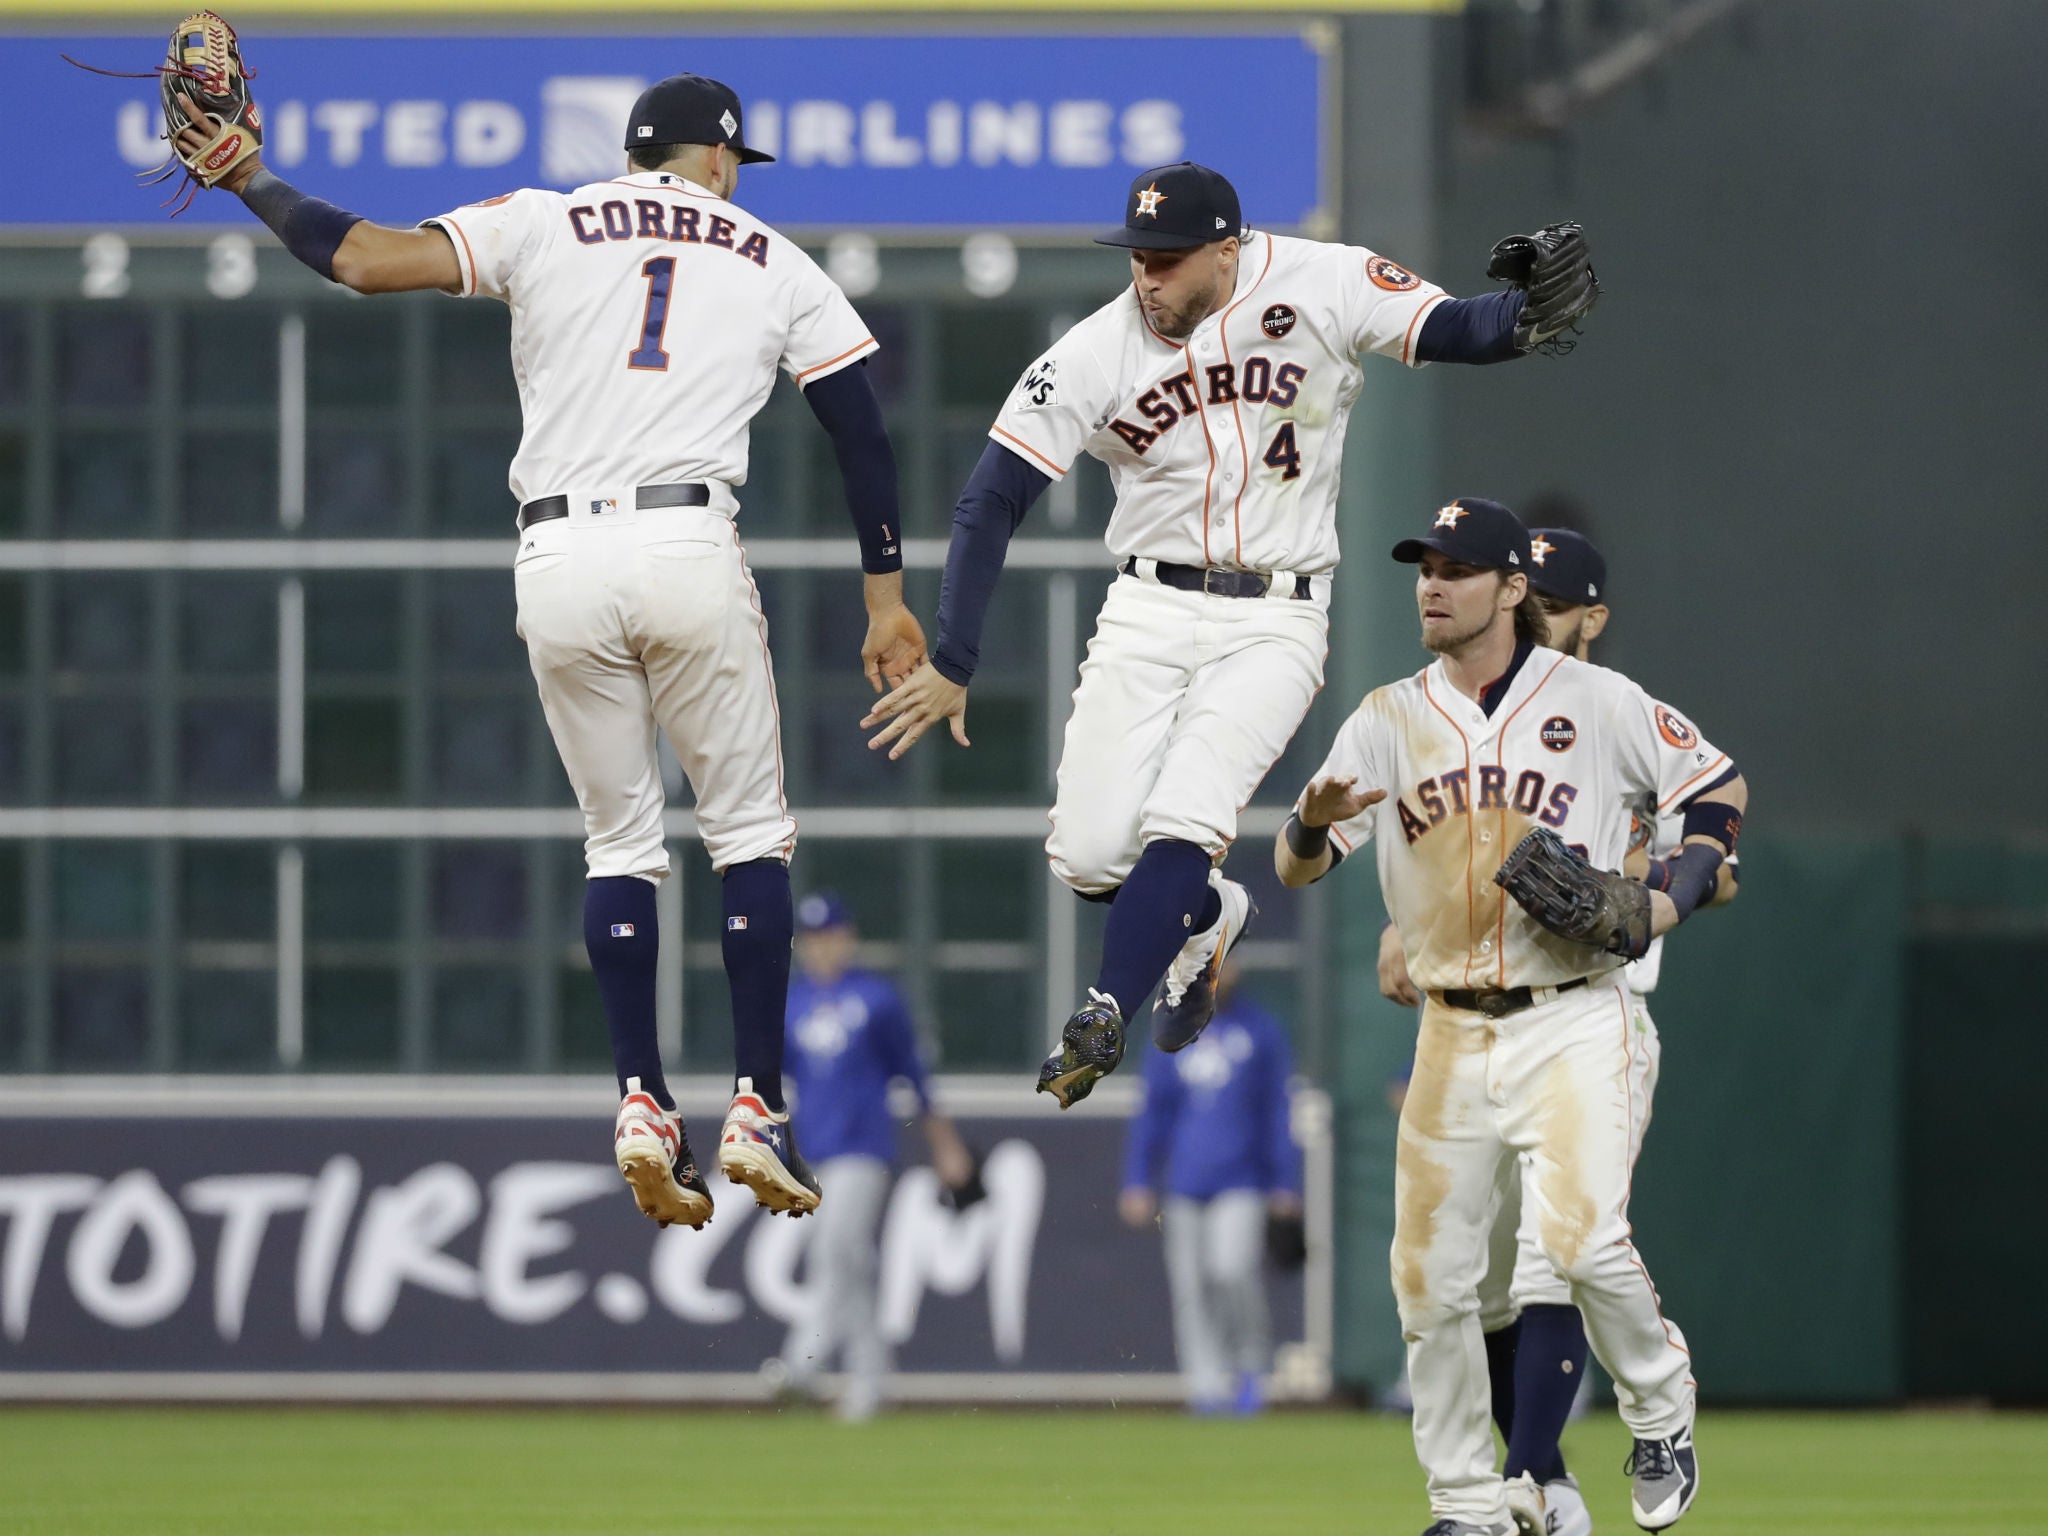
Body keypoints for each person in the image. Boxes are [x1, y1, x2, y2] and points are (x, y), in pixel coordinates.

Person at [170, 72, 927, 1225]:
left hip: (557, 558)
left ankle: (638, 1099)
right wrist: (884, 596)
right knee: (748, 838)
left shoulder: (546, 216)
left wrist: (249, 181)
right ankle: (757, 1105)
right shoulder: (773, 256)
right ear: (717, 157)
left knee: (619, 845)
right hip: (685, 542)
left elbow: (363, 259)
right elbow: (857, 425)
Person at [860, 161, 1597, 1110]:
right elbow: (990, 498)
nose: (1146, 277)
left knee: (1185, 816)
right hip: (1147, 608)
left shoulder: (1322, 281)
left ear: (1226, 248)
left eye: (1168, 259)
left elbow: (1453, 327)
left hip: (1277, 616)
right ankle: (1209, 920)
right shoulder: (1100, 348)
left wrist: (1518, 316)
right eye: (1136, 257)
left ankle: (1103, 1011)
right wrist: (956, 657)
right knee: (1089, 856)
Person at [1277, 498, 1745, 1536]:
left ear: (1508, 589)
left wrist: (1670, 891)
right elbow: (1296, 866)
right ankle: (1469, 1500)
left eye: (1454, 568)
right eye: (1422, 567)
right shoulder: (1386, 717)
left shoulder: (1596, 699)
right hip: (1449, 1029)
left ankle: (1659, 1405)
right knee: (1429, 1284)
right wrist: (1307, 827)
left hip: (1574, 1015)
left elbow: (1716, 787)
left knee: (1577, 1247)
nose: (1430, 586)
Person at [775, 891, 974, 1421]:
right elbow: (783, 1083)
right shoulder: (790, 1004)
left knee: (835, 1250)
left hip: (863, 1147)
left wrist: (945, 1143)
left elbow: (915, 1075)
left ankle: (801, 1365)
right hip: (812, 1150)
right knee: (851, 1264)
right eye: (813, 938)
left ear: (848, 938)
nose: (822, 947)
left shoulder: (876, 999)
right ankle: (871, 1382)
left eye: (830, 936)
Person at [1119, 962, 1304, 1414]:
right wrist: (1138, 1178)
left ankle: (1251, 1363)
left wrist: (1285, 1181)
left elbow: (1278, 1113)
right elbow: (1153, 1114)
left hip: (1241, 1178)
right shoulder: (1172, 1029)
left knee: (1232, 1269)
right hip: (1184, 1181)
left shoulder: (1261, 1030)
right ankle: (1205, 1385)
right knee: (1191, 1287)